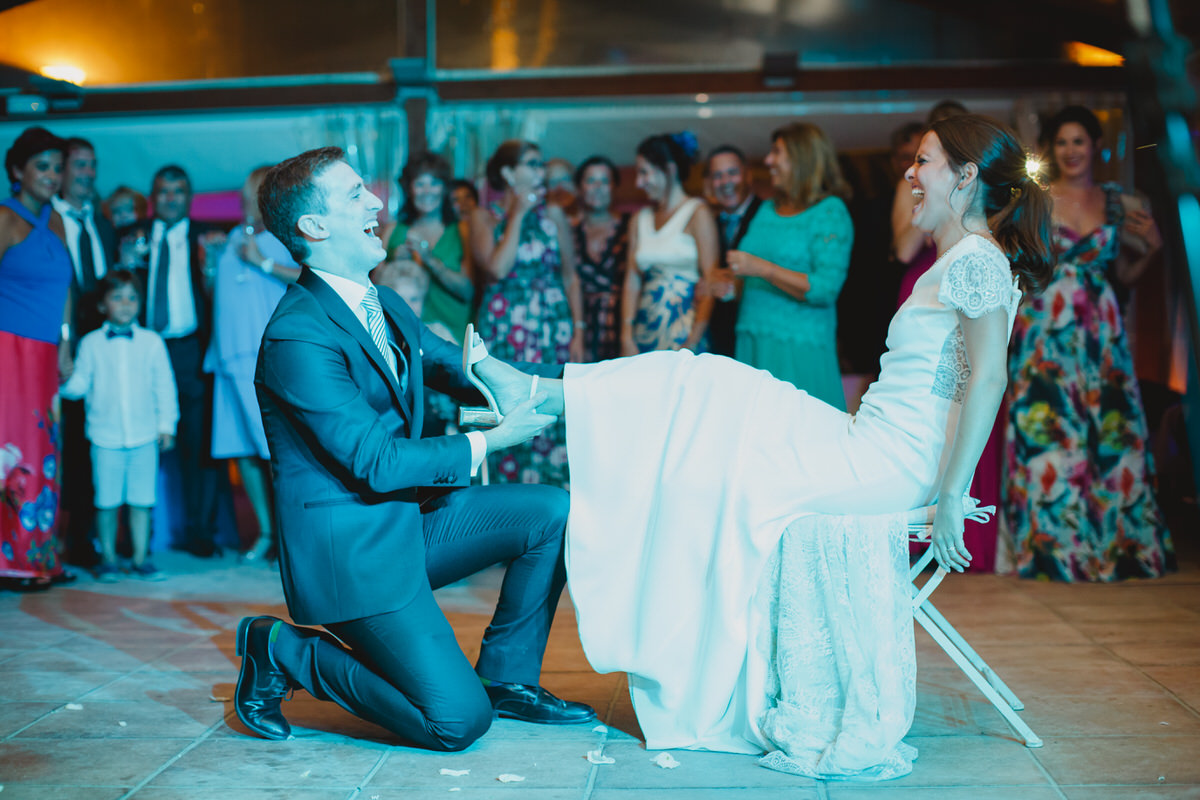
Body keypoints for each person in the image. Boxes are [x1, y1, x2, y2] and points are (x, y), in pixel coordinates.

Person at [476, 114, 1054, 776]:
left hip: (887, 463)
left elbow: (989, 379)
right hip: (866, 440)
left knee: (713, 441)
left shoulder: (975, 262)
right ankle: (545, 394)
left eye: (923, 162)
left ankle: (543, 398)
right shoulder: (954, 260)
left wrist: (952, 493)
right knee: (702, 379)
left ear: (966, 175)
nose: (910, 174)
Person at [234, 146, 595, 751]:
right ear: (313, 227)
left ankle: (506, 679)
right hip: (355, 555)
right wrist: (488, 440)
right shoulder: (298, 334)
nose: (377, 202)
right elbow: (376, 462)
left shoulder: (381, 300)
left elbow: (456, 363)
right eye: (355, 194)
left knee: (551, 512)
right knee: (455, 723)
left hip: (410, 521)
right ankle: (283, 650)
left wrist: (570, 387)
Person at [1004, 105, 1173, 582]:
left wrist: (1154, 249)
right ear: (1052, 150)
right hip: (1042, 326)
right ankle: (1052, 549)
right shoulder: (1035, 200)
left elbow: (1123, 275)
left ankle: (1115, 547)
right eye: (1062, 142)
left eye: (1079, 141)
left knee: (1111, 430)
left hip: (1100, 327)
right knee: (1048, 429)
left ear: (1095, 146)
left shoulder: (1121, 202)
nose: (1071, 151)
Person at [470, 140, 582, 487]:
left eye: (540, 163)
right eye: (532, 164)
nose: (540, 171)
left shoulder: (554, 216)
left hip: (551, 327)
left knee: (553, 404)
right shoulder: (483, 217)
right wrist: (517, 213)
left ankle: (555, 495)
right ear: (507, 173)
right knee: (508, 405)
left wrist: (578, 330)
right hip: (507, 327)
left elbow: (570, 275)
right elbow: (497, 270)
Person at [718, 122, 852, 409]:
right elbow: (746, 274)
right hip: (753, 339)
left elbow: (824, 288)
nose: (768, 161)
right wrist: (727, 285)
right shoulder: (767, 210)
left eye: (777, 152)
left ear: (802, 157)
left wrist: (763, 269)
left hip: (797, 347)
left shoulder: (829, 212)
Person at [204, 167, 300, 563]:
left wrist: (261, 262)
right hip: (225, 357)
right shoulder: (231, 238)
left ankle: (290, 537)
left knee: (271, 450)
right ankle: (264, 533)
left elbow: (312, 281)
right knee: (241, 450)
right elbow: (219, 293)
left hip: (261, 355)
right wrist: (210, 263)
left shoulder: (286, 236)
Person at [59, 271, 177, 581]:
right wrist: (65, 378)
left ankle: (140, 558)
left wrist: (166, 425)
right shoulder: (92, 343)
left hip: (144, 437)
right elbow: (80, 385)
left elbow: (164, 386)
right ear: (101, 305)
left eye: (132, 297)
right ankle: (108, 558)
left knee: (142, 501)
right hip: (105, 438)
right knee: (106, 502)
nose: (125, 304)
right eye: (117, 297)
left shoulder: (151, 343)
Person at [0, 126, 75, 591]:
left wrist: (65, 342)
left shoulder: (57, 221)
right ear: (17, 171)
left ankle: (37, 554)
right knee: (12, 455)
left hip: (46, 353)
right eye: (42, 166)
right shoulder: (4, 219)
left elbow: (63, 290)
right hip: (9, 351)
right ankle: (12, 561)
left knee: (45, 452)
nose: (52, 175)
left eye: (56, 166)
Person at [137, 164, 225, 557]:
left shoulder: (209, 238)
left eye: (178, 191)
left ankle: (200, 534)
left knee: (198, 445)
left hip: (192, 349)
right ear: (152, 199)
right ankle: (135, 538)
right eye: (163, 191)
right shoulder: (130, 238)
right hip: (140, 349)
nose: (171, 198)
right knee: (133, 439)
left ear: (189, 198)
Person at [52, 137, 117, 568]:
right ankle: (68, 539)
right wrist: (64, 342)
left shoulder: (104, 222)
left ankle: (95, 538)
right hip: (66, 347)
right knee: (70, 442)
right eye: (79, 165)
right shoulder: (44, 219)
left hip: (108, 348)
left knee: (101, 438)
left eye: (92, 165)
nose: (87, 173)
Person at [622, 132, 719, 355]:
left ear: (670, 169)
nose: (639, 182)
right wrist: (626, 336)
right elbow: (632, 280)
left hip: (684, 330)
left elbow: (711, 280)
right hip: (644, 330)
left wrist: (693, 340)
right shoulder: (639, 219)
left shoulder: (697, 213)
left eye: (644, 172)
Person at [378, 152, 475, 344]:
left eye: (434, 183)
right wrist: (393, 263)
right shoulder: (392, 231)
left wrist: (430, 260)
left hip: (453, 333)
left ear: (445, 188)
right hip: (401, 335)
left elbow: (468, 291)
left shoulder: (462, 230)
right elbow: (374, 289)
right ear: (409, 189)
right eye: (420, 184)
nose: (427, 191)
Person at [704, 145, 763, 357]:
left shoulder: (769, 217)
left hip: (760, 335)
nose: (726, 182)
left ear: (748, 175)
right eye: (717, 176)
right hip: (721, 341)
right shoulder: (709, 223)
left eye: (732, 173)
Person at [571, 155, 629, 362]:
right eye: (590, 181)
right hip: (579, 325)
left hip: (620, 322)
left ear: (613, 187)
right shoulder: (569, 231)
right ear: (579, 188)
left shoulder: (630, 227)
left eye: (604, 181)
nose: (598, 187)